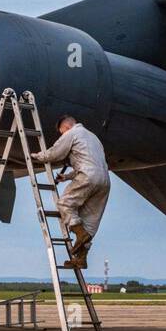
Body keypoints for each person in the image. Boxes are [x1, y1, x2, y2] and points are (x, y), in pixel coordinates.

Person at [32, 115, 109, 269]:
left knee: (65, 203)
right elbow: (90, 163)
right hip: (104, 180)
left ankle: (81, 234)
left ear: (66, 127)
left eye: (62, 133)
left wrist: (35, 156)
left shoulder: (72, 133)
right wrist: (67, 177)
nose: (62, 135)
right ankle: (80, 259)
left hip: (88, 176)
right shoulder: (93, 138)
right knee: (90, 220)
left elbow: (54, 153)